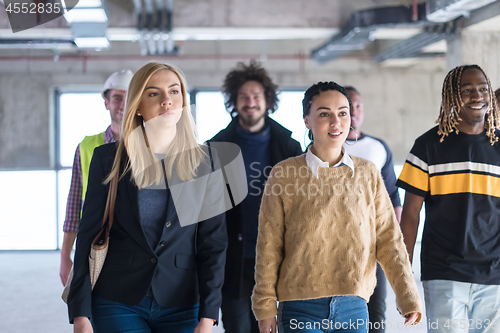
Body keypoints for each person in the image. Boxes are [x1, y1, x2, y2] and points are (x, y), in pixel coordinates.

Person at [67, 62, 227, 333]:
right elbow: (88, 233)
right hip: (117, 299)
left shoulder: (206, 162)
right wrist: (80, 313)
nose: (167, 101)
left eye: (174, 92)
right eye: (154, 94)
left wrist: (209, 315)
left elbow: (214, 243)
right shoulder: (108, 159)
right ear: (137, 105)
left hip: (183, 301)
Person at [252, 81, 422, 333]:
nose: (336, 122)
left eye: (343, 113)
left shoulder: (368, 173)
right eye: (324, 114)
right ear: (307, 121)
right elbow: (269, 245)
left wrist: (408, 296)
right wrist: (265, 306)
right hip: (299, 306)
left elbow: (389, 239)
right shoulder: (284, 174)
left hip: (353, 306)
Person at [397, 64, 500, 333]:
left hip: (494, 273)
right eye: (467, 90)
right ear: (452, 97)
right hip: (443, 270)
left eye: (483, 89)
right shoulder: (428, 146)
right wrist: (403, 276)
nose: (477, 96)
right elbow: (410, 215)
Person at [208, 60, 302, 333]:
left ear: (267, 100)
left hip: (279, 259)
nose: (250, 103)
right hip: (233, 260)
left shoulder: (289, 146)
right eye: (244, 97)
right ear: (234, 102)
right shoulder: (215, 147)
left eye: (256, 97)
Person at [59, 69, 134, 286]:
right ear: (106, 102)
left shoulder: (151, 145)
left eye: (128, 98)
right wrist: (65, 256)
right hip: (94, 241)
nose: (122, 105)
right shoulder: (86, 147)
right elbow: (74, 206)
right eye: (117, 98)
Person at [343, 86, 402, 333]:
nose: (354, 112)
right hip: (335, 250)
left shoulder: (377, 147)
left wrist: (394, 243)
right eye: (349, 106)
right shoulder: (319, 148)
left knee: (375, 317)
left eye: (358, 106)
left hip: (372, 249)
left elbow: (392, 197)